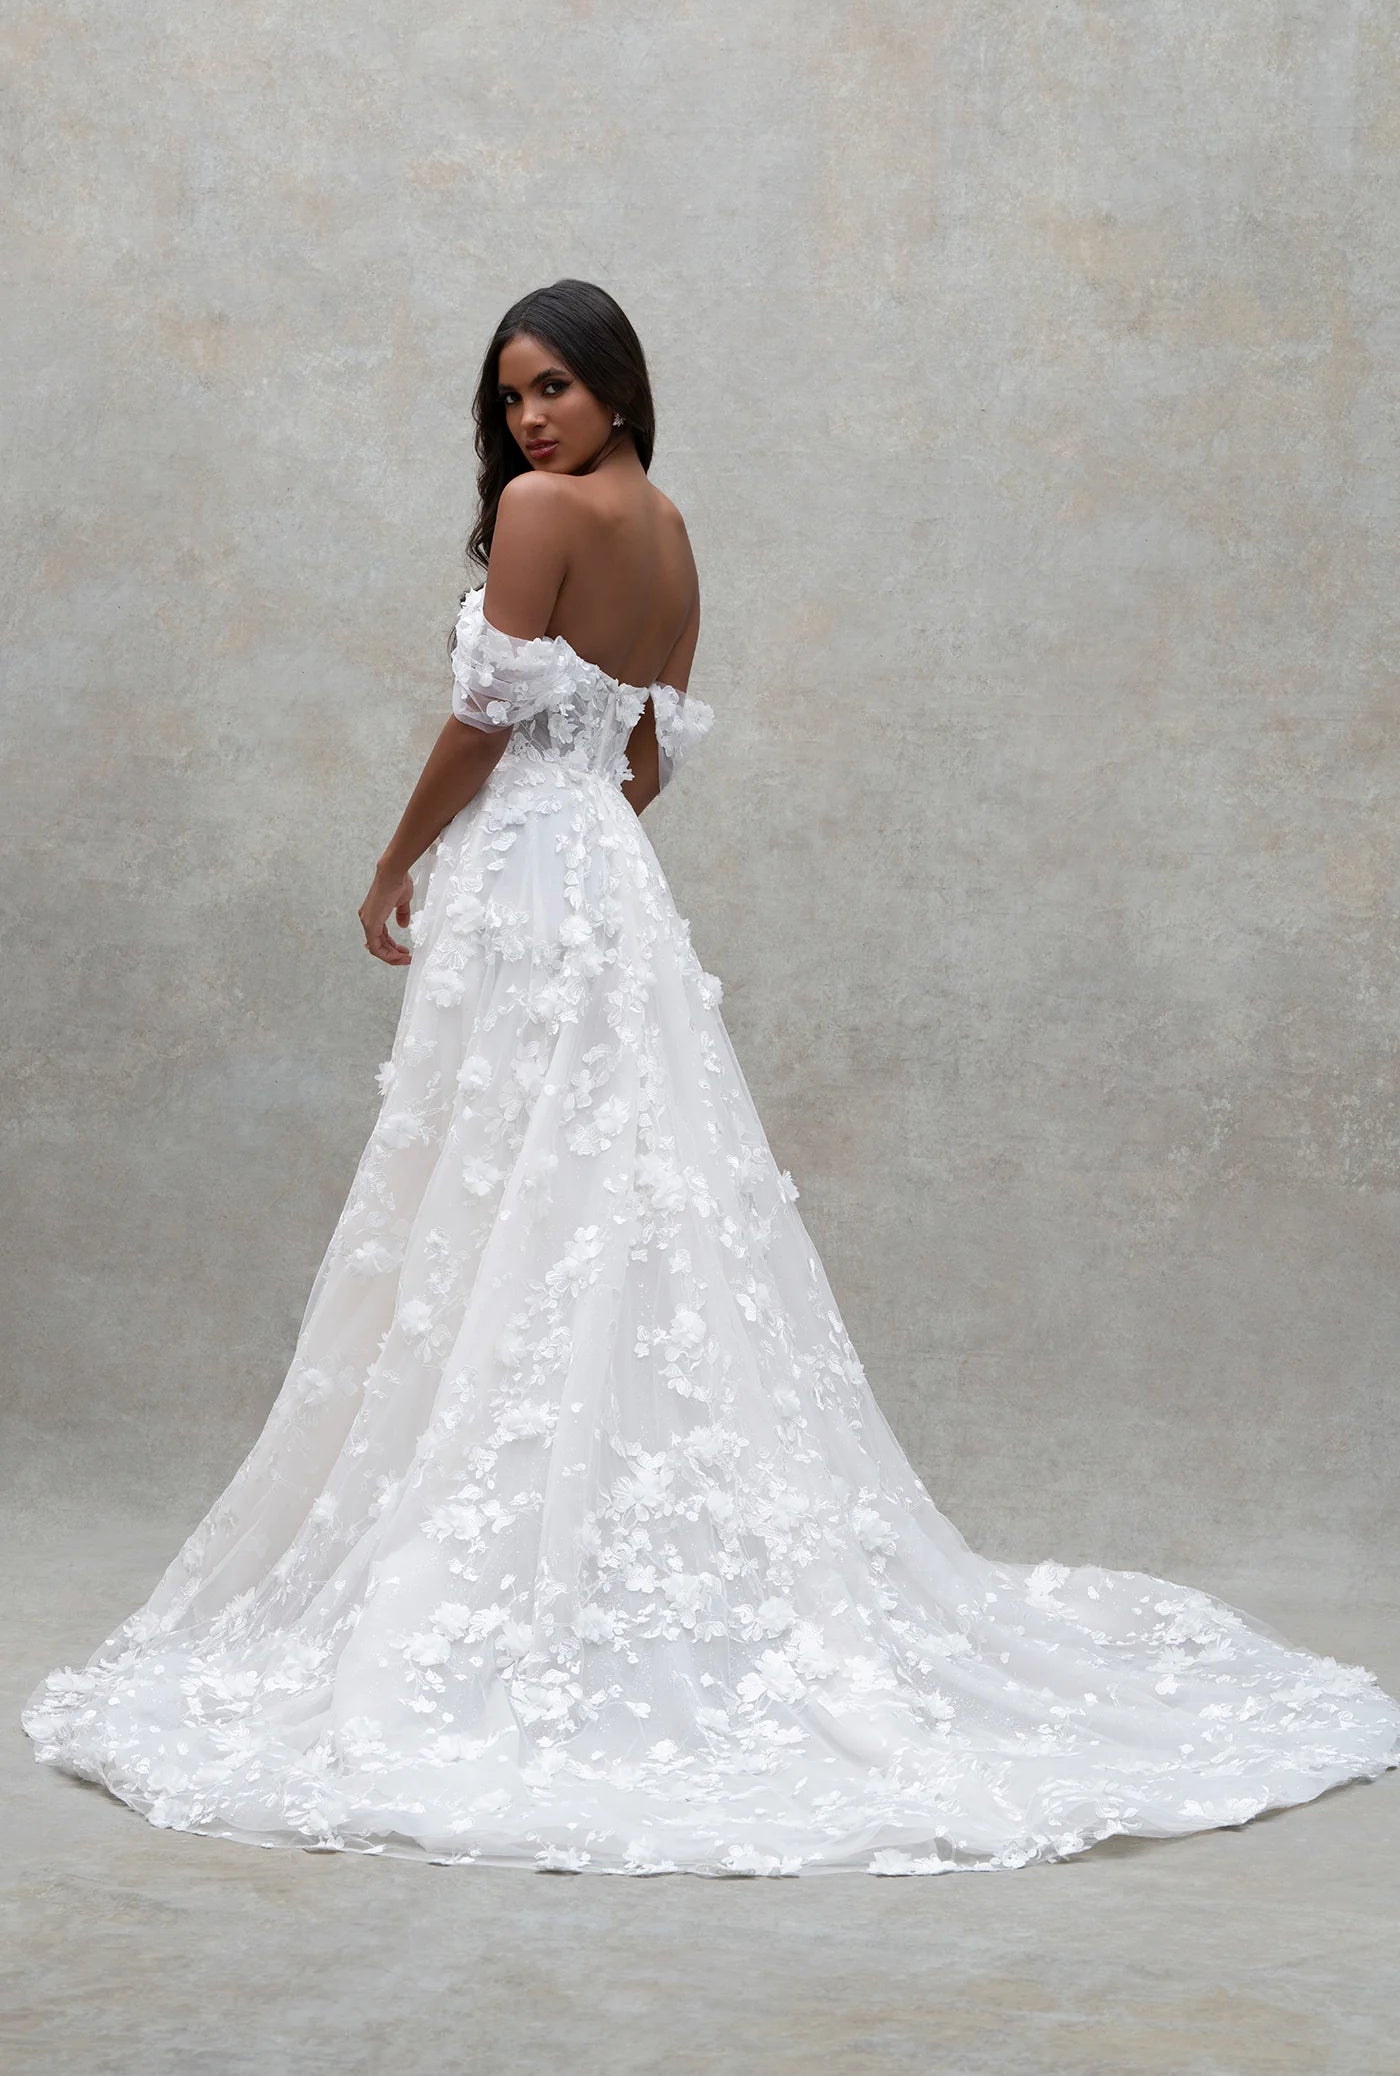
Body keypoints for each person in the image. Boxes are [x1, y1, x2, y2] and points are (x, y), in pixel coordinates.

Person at [22, 280, 1400, 1878]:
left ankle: (521, 1563)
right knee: (607, 1189)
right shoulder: (671, 531)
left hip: (530, 881)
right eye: (511, 398)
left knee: (513, 1182)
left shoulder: (540, 514)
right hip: (608, 883)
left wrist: (393, 862)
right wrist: (574, 830)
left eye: (552, 387)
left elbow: (483, 724)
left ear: (614, 382)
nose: (529, 422)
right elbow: (643, 762)